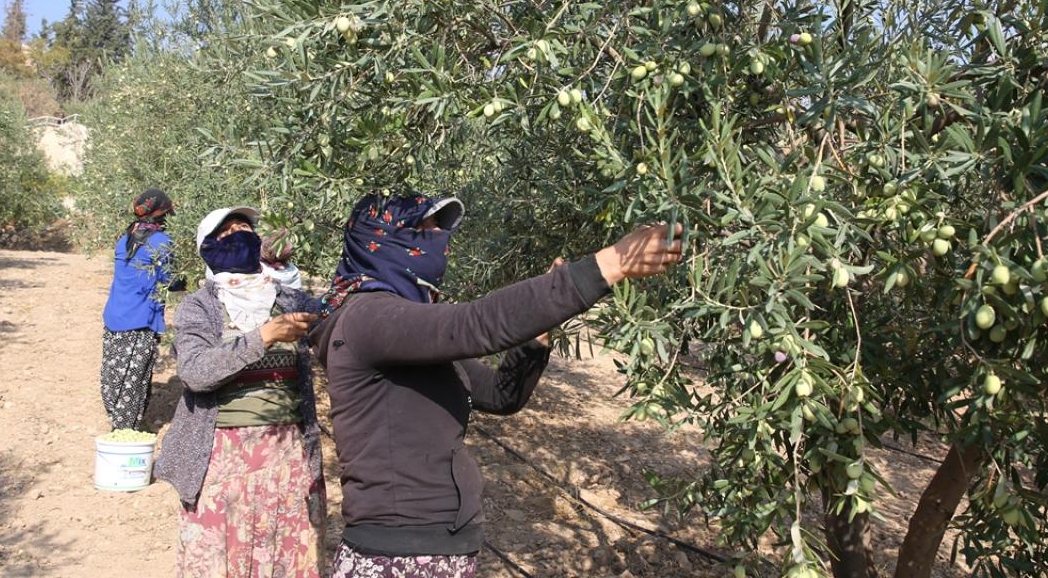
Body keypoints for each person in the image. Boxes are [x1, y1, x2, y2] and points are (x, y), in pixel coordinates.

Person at [311, 193, 683, 577]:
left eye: (442, 229)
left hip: (436, 550)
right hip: (398, 557)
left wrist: (538, 330)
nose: (440, 239)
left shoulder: (403, 330)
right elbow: (475, 323)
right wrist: (608, 265)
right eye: (426, 228)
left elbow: (499, 394)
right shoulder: (369, 318)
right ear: (381, 238)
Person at [154, 207, 328, 578]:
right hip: (221, 459)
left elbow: (338, 320)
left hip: (287, 455)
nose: (238, 233)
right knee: (221, 559)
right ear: (207, 248)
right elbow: (196, 372)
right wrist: (264, 336)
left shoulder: (289, 300)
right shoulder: (199, 307)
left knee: (284, 555)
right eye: (226, 231)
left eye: (244, 228)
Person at [101, 188, 178, 431]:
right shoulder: (163, 243)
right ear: (164, 214)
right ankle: (126, 433)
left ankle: (120, 424)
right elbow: (171, 281)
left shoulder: (124, 239)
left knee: (114, 377)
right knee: (134, 383)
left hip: (114, 318)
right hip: (139, 323)